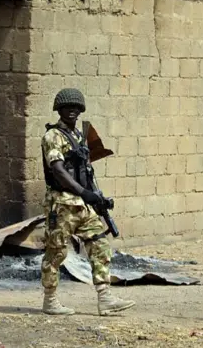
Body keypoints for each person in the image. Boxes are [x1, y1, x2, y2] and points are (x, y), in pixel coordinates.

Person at [40, 88, 135, 316]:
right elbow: (59, 172)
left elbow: (87, 171)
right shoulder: (52, 136)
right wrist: (84, 192)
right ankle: (50, 301)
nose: (72, 111)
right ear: (59, 110)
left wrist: (97, 197)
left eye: (76, 107)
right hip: (61, 205)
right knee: (56, 252)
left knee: (100, 244)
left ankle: (105, 297)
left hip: (83, 205)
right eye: (67, 107)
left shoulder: (80, 137)